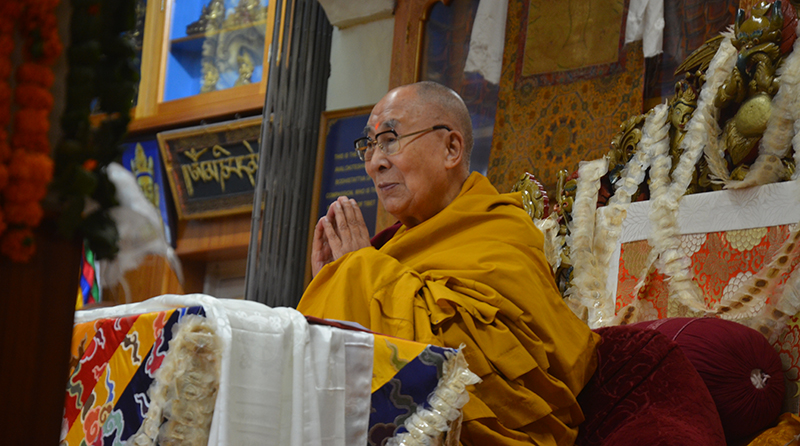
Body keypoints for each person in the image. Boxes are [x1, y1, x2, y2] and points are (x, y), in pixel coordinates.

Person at [296, 81, 599, 446]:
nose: (375, 162)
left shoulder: (500, 232)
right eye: (369, 145)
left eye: (390, 139)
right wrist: (338, 282)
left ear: (451, 148)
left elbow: (469, 369)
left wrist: (358, 276)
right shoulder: (387, 252)